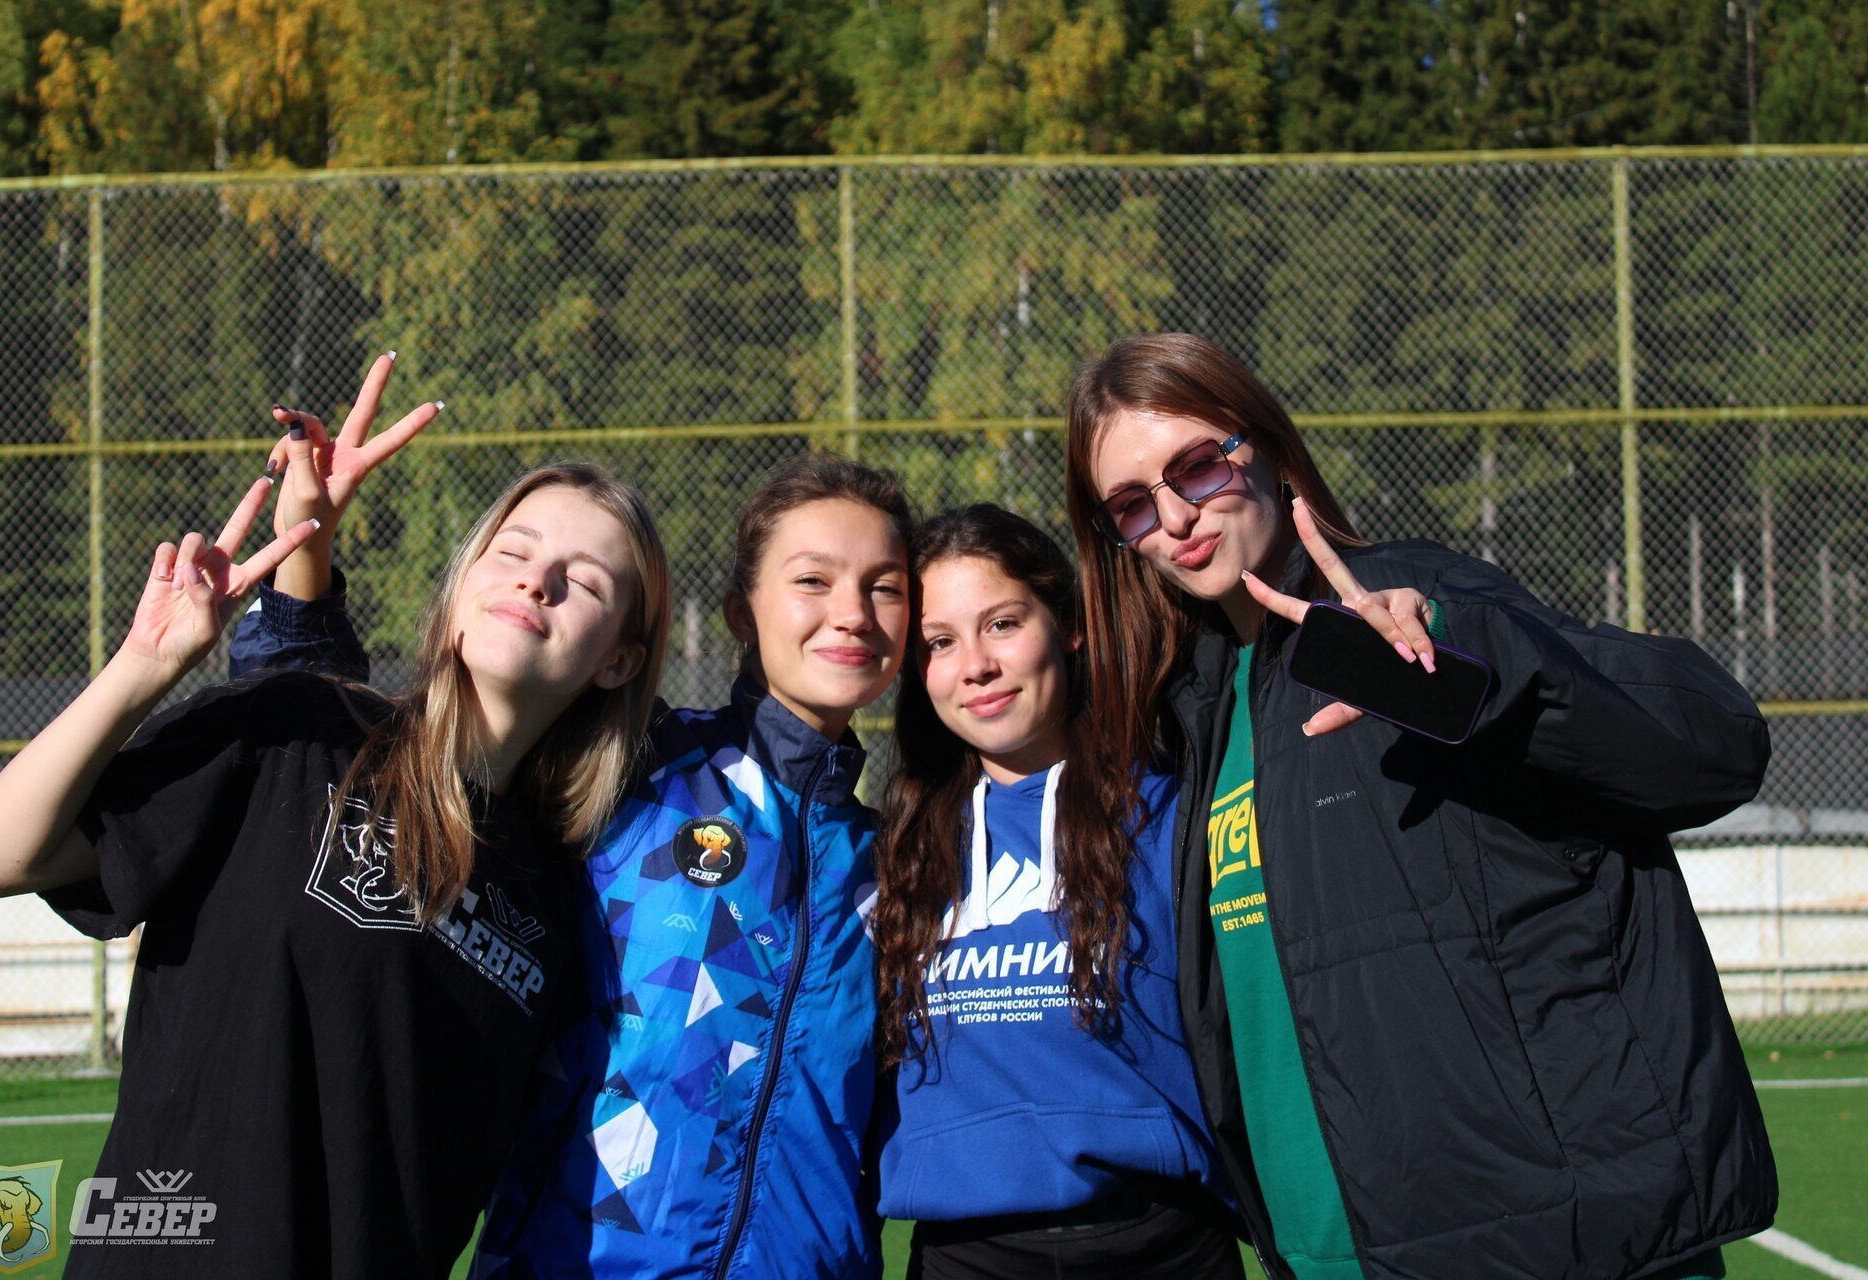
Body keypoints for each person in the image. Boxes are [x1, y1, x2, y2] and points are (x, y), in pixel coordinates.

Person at [1062, 332, 1774, 1280]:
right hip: (1333, 1255)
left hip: (1559, 1252)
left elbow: (1716, 747)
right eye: (1131, 504)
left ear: (1266, 448)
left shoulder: (1415, 607)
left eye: (1196, 466)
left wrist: (1468, 658)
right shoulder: (1197, 706)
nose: (1175, 516)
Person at [0, 366, 674, 1277]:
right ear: (461, 583)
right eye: (514, 550)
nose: (538, 581)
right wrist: (144, 666)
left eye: (585, 582)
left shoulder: (564, 895)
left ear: (619, 662)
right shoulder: (300, 729)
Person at [231, 420, 915, 1277]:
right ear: (741, 611)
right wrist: (306, 560)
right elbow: (377, 754)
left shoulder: (902, 865)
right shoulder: (630, 765)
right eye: (813, 579)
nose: (851, 614)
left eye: (886, 588)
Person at [871, 504, 1240, 1278]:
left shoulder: (1176, 814)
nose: (975, 665)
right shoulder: (897, 851)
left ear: (1068, 626)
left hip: (1165, 1241)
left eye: (1002, 624)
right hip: (966, 1255)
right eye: (940, 643)